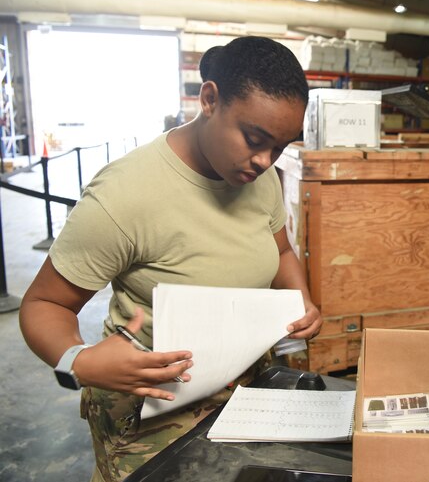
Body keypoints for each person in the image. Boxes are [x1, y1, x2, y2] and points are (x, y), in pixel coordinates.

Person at [19, 36, 322, 481]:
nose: (264, 161)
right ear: (210, 99)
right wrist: (78, 361)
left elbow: (279, 250)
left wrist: (302, 300)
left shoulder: (260, 177)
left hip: (245, 385)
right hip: (152, 401)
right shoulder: (125, 195)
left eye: (279, 147)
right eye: (255, 139)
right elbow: (44, 304)